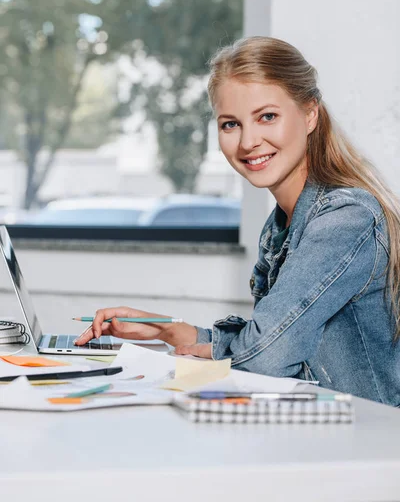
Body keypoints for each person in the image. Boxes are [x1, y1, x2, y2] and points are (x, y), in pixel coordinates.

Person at [75, 36, 400, 406]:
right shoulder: (281, 225)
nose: (248, 142)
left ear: (310, 114)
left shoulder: (345, 219)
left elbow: (264, 357)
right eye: (230, 124)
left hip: (367, 445)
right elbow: (271, 340)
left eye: (267, 117)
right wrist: (168, 330)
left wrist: (219, 347)